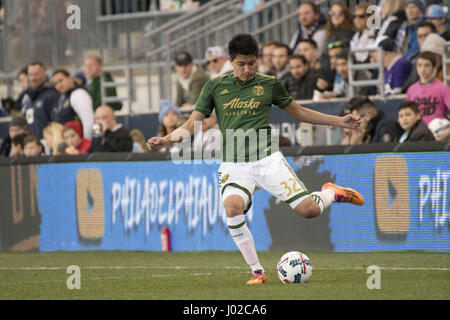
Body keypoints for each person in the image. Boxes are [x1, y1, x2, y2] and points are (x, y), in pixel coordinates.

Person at [146, 34, 365, 285]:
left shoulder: (269, 84)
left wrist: (339, 121)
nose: (247, 69)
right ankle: (257, 271)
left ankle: (332, 193)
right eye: (241, 64)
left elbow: (300, 112)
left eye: (252, 63)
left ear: (258, 59)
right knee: (232, 207)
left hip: (268, 160)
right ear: (230, 61)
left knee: (309, 211)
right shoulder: (214, 87)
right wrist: (166, 140)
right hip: (234, 165)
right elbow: (191, 124)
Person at [406, 52, 450, 126]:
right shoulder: (411, 90)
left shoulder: (443, 88)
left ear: (433, 67)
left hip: (438, 131)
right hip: (419, 132)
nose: (423, 69)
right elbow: (408, 113)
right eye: (419, 65)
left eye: (427, 65)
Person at [18, 62, 60, 138]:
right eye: (30, 75)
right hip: (32, 143)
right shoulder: (28, 96)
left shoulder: (51, 95)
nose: (33, 78)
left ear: (44, 75)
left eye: (36, 74)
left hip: (46, 141)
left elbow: (56, 122)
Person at [51, 69, 95, 140]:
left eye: (61, 81)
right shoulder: (63, 96)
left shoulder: (78, 94)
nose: (59, 85)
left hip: (76, 143)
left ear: (70, 78)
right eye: (55, 84)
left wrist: (87, 142)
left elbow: (88, 121)